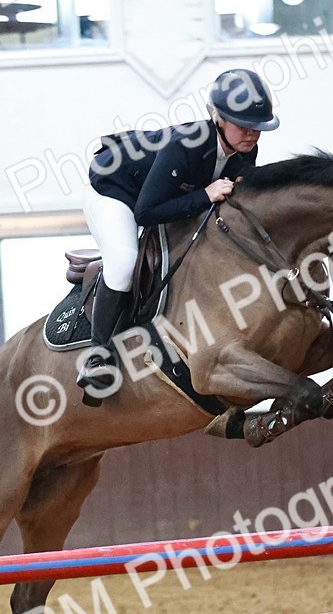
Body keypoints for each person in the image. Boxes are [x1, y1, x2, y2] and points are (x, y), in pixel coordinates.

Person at [77, 68, 280, 394]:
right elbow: (146, 212)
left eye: (258, 128)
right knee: (125, 262)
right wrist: (205, 195)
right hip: (113, 191)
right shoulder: (184, 146)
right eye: (244, 126)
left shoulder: (245, 151)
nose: (253, 135)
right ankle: (97, 358)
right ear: (218, 119)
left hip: (158, 196)